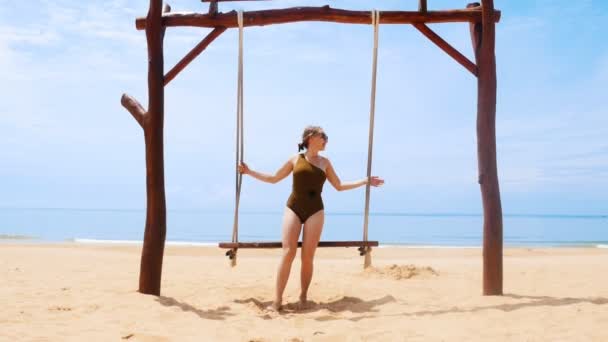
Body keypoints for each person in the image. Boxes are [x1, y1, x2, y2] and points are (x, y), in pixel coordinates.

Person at [238, 125, 384, 311]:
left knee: (307, 257)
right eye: (323, 136)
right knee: (288, 252)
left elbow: (339, 186)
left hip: (315, 211)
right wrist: (249, 172)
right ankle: (277, 300)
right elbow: (274, 178)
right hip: (294, 207)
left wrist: (365, 181)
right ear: (310, 137)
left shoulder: (325, 162)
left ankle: (303, 297)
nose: (326, 140)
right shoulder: (295, 159)